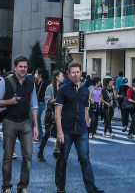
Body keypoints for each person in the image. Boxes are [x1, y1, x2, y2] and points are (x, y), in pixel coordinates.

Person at [54, 62, 104, 193]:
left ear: (81, 72)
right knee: (63, 158)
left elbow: (86, 109)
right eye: (73, 72)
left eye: (78, 72)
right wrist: (59, 131)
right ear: (68, 73)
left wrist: (87, 126)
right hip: (67, 129)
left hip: (81, 129)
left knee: (85, 158)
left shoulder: (85, 90)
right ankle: (60, 186)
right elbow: (58, 111)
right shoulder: (63, 89)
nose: (76, 74)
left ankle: (91, 188)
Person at [0, 55, 39, 193]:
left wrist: (36, 125)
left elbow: (34, 105)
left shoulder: (31, 83)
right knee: (8, 156)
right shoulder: (5, 82)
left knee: (28, 155)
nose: (23, 69)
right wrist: (10, 102)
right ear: (15, 68)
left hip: (25, 122)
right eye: (21, 66)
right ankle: (6, 186)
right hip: (10, 122)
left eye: (25, 67)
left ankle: (23, 186)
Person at [38, 70, 65, 161]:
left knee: (60, 133)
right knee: (47, 133)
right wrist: (58, 98)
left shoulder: (63, 87)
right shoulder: (50, 87)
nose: (63, 78)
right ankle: (40, 151)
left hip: (60, 114)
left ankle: (57, 150)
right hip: (49, 114)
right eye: (62, 76)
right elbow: (48, 101)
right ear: (57, 77)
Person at [35, 69, 49, 140]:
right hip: (35, 103)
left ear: (40, 74)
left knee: (38, 118)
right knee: (35, 119)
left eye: (37, 73)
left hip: (41, 102)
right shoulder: (35, 82)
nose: (35, 74)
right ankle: (37, 134)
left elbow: (45, 93)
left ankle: (40, 135)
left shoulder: (44, 83)